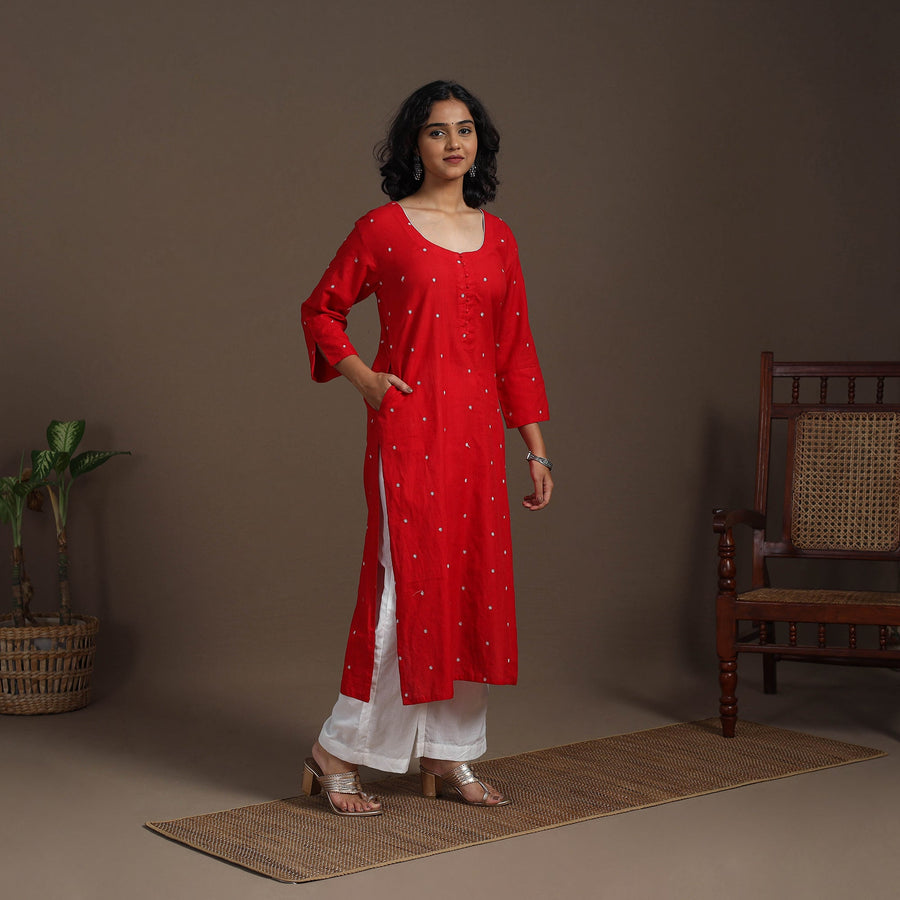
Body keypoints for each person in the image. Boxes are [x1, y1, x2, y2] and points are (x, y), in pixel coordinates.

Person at [299, 80, 552, 816]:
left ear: (480, 143)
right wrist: (366, 381)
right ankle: (336, 751)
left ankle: (449, 751)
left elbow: (515, 350)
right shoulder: (383, 229)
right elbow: (321, 311)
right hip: (410, 434)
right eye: (437, 131)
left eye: (465, 129)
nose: (453, 143)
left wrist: (535, 449)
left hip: (477, 443)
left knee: (470, 588)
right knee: (403, 590)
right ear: (415, 144)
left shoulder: (499, 237)